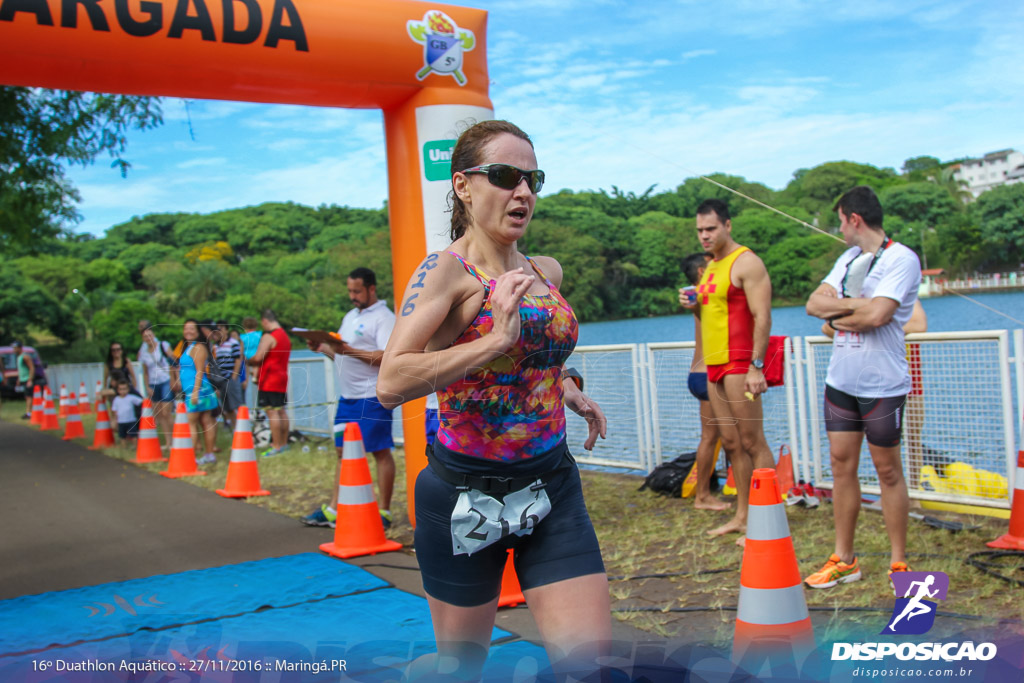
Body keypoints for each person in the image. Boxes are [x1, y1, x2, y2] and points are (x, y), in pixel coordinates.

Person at [377, 120, 611, 680]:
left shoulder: (544, 271)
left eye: (532, 179)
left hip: (550, 485)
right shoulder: (445, 273)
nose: (523, 192)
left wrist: (568, 388)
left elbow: (536, 360)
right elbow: (392, 381)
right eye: (506, 176)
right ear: (463, 186)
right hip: (466, 496)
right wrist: (493, 339)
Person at [804, 185, 922, 589]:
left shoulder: (902, 259)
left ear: (854, 218)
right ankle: (844, 558)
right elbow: (814, 305)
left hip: (882, 384)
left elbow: (880, 317)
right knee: (841, 467)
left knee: (888, 470)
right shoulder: (848, 258)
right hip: (841, 381)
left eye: (840, 220)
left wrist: (840, 315)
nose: (839, 228)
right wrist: (856, 310)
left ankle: (899, 562)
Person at [681, 199, 775, 539]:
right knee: (732, 444)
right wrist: (693, 306)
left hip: (740, 364)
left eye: (711, 229)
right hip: (714, 367)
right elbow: (710, 318)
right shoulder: (712, 267)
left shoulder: (746, 262)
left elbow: (762, 316)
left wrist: (756, 366)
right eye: (700, 231)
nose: (704, 236)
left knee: (753, 441)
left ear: (727, 226)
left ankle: (769, 521)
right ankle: (744, 517)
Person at [302, 267, 397, 530]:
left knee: (379, 451)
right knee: (343, 451)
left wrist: (349, 350)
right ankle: (335, 507)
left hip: (372, 395)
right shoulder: (350, 317)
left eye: (357, 291)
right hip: (348, 397)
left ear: (371, 289)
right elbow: (341, 355)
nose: (352, 296)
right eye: (349, 291)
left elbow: (386, 357)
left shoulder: (383, 317)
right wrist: (323, 348)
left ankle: (384, 511)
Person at [820, 300, 928, 487]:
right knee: (862, 446)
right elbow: (827, 328)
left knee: (912, 436)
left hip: (905, 376)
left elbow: (919, 325)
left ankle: (914, 492)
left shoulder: (902, 294)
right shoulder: (854, 300)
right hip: (864, 380)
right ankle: (879, 490)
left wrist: (879, 329)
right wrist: (862, 325)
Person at [678, 253, 728, 511]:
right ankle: (703, 496)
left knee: (712, 437)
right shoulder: (704, 295)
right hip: (711, 376)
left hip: (698, 373)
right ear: (701, 271)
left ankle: (710, 492)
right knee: (720, 437)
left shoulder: (702, 295)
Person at [247, 309, 291, 456]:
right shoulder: (284, 336)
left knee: (272, 412)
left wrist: (248, 360)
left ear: (265, 321)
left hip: (270, 378)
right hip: (282, 376)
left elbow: (258, 357)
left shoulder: (269, 336)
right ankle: (284, 443)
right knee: (281, 411)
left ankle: (276, 446)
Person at [179, 318, 220, 464]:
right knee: (205, 421)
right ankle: (207, 455)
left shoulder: (198, 347)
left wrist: (195, 392)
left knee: (192, 422)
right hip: (195, 389)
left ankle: (192, 457)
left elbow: (200, 371)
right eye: (186, 328)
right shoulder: (188, 347)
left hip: (199, 390)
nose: (188, 331)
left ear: (198, 332)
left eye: (192, 329)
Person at [137, 322, 177, 453]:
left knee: (166, 412)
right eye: (145, 336)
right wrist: (147, 386)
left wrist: (173, 379)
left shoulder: (163, 346)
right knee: (159, 414)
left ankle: (175, 438)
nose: (148, 338)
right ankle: (168, 442)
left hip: (166, 380)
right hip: (154, 383)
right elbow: (145, 371)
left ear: (153, 334)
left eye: (150, 335)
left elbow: (173, 362)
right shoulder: (143, 353)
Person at [211, 321, 244, 432]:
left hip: (230, 378)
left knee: (237, 405)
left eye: (220, 328)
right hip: (221, 380)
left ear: (226, 329)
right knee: (227, 407)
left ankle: (244, 429)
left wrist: (234, 377)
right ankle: (236, 430)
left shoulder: (233, 343)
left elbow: (238, 360)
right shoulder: (216, 345)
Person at [12, 341, 44, 419]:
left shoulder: (25, 356)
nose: (14, 350)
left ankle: (29, 413)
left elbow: (31, 367)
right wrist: (19, 379)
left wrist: (30, 379)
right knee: (27, 396)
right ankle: (29, 412)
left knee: (29, 396)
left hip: (27, 379)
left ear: (19, 348)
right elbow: (21, 370)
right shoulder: (19, 357)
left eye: (15, 348)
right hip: (23, 379)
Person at [110, 380, 143, 445]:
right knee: (122, 437)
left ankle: (136, 447)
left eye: (124, 389)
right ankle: (124, 448)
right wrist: (114, 420)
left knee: (134, 436)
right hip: (121, 422)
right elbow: (114, 411)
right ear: (118, 390)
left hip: (131, 421)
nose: (123, 391)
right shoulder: (116, 399)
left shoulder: (131, 397)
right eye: (121, 389)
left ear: (128, 389)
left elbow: (142, 401)